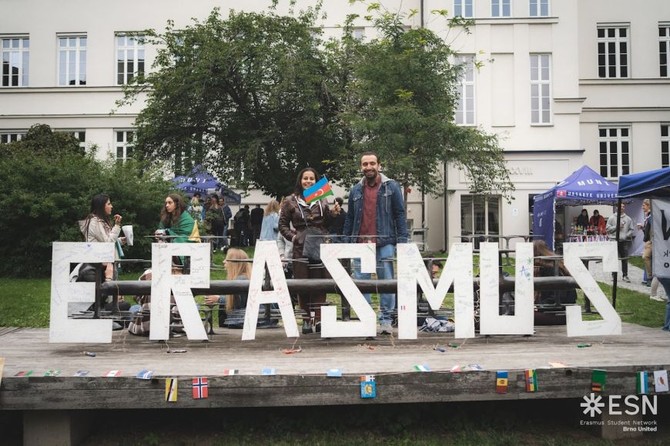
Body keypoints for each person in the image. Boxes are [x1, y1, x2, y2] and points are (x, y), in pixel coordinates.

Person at [342, 151, 409, 335]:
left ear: (379, 165)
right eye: (365, 164)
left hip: (385, 241)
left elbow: (400, 214)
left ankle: (386, 320)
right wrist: (346, 241)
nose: (369, 167)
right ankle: (367, 318)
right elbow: (350, 218)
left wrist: (402, 240)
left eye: (372, 163)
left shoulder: (391, 187)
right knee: (362, 284)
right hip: (361, 244)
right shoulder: (355, 190)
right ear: (361, 167)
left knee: (386, 282)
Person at [279, 167, 340, 334]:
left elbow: (326, 222)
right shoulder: (290, 200)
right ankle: (306, 319)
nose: (308, 181)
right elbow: (282, 225)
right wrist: (294, 237)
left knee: (320, 282)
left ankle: (319, 318)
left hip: (320, 243)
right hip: (300, 246)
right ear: (300, 180)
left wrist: (333, 214)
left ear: (316, 181)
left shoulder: (321, 199)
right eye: (305, 178)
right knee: (303, 283)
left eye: (312, 179)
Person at [78, 193, 126, 281]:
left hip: (103, 264)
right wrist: (117, 226)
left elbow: (105, 239)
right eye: (108, 204)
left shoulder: (100, 221)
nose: (111, 206)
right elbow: (107, 243)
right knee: (106, 291)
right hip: (98, 266)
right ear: (101, 206)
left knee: (111, 291)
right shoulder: (94, 222)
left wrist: (119, 241)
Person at [205, 248, 252, 327]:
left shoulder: (241, 280)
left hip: (240, 320)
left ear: (234, 263)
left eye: (227, 259)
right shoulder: (244, 278)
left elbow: (239, 302)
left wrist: (219, 299)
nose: (223, 261)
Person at [639, 199, 663, 301]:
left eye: (644, 205)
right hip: (650, 242)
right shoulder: (648, 216)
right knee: (647, 258)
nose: (642, 207)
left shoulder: (652, 216)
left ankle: (650, 279)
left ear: (649, 206)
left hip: (654, 242)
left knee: (648, 258)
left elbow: (655, 230)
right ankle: (649, 280)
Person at [606, 202, 634, 283]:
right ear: (616, 208)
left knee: (624, 258)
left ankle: (625, 275)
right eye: (620, 206)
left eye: (623, 206)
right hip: (613, 240)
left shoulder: (628, 219)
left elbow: (631, 229)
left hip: (623, 241)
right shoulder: (612, 218)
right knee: (613, 258)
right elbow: (607, 229)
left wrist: (626, 235)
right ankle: (614, 275)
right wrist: (617, 227)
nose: (622, 208)